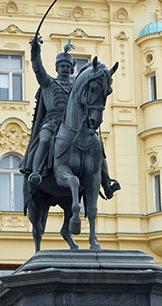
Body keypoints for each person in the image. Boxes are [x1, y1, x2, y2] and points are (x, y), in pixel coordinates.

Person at [22, 37, 120, 200]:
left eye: (68, 66)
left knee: (97, 145)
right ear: (57, 67)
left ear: (72, 69)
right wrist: (35, 50)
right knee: (45, 140)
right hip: (52, 122)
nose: (65, 69)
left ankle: (106, 181)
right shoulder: (49, 82)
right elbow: (37, 68)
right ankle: (36, 174)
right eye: (62, 66)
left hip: (74, 125)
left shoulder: (76, 84)